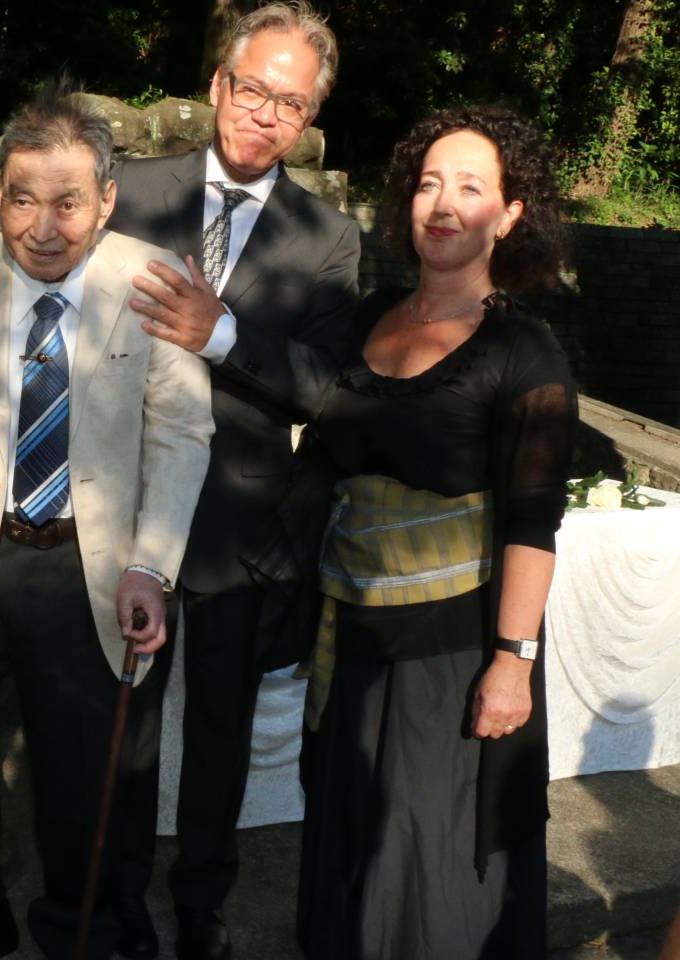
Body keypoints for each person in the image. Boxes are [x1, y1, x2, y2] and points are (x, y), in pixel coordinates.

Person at [0, 6, 358, 957]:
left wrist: (223, 334)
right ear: (218, 86)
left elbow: (329, 389)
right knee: (119, 738)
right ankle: (110, 917)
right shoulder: (131, 186)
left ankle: (203, 905)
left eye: (292, 100)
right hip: (108, 508)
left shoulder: (328, 238)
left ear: (313, 112)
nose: (265, 113)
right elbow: (25, 240)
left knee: (220, 736)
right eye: (252, 88)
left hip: (235, 518)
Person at [0, 85, 215, 960]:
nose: (44, 225)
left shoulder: (153, 285)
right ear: (0, 196)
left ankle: (90, 931)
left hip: (90, 572)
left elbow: (181, 438)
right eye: (23, 199)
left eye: (68, 202)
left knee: (89, 776)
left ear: (105, 199)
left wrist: (152, 567)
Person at [238, 104, 575, 959]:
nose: (444, 202)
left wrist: (513, 662)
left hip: (453, 656)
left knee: (429, 858)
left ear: (508, 214)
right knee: (350, 838)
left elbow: (534, 523)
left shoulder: (523, 353)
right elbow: (295, 403)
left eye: (471, 186)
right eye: (429, 182)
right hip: (350, 639)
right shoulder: (367, 317)